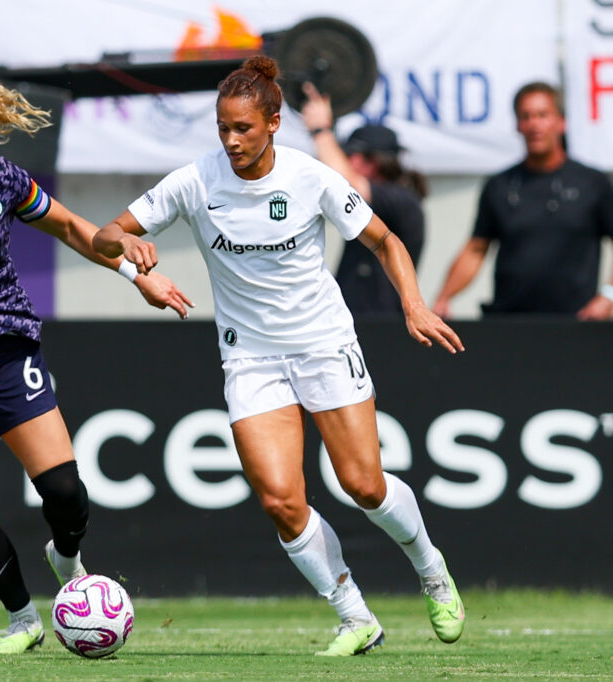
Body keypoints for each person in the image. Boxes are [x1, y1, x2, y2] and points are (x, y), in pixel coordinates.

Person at [93, 55, 466, 656]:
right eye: (222, 127)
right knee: (280, 500)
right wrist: (126, 242)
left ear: (272, 122)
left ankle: (430, 568)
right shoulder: (194, 181)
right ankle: (354, 617)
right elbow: (104, 233)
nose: (231, 139)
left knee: (363, 485)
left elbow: (385, 240)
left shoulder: (310, 176)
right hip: (251, 358)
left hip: (323, 343)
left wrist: (415, 305)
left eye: (243, 127)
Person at [0, 56, 193, 655]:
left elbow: (73, 228)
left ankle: (64, 559)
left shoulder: (3, 177)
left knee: (67, 493)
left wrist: (132, 271)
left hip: (5, 345)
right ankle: (23, 619)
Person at [432, 81, 613, 319]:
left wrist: (608, 297)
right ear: (518, 125)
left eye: (542, 115)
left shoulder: (592, 183)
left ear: (561, 122)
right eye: (526, 116)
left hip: (576, 323)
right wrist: (444, 298)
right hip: (510, 325)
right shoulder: (500, 185)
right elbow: (476, 249)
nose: (534, 124)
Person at [301, 83, 427, 315]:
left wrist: (320, 130)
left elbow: (346, 183)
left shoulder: (401, 200)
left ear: (373, 161)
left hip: (383, 328)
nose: (347, 161)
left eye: (351, 155)